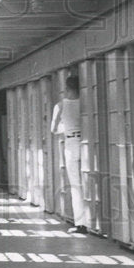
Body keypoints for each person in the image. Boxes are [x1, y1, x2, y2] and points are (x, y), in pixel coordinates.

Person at [51, 74, 88, 234]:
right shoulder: (85, 104)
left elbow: (53, 130)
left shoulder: (60, 105)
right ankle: (95, 221)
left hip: (70, 144)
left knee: (75, 185)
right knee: (89, 180)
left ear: (66, 89)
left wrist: (63, 127)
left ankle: (81, 223)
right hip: (87, 142)